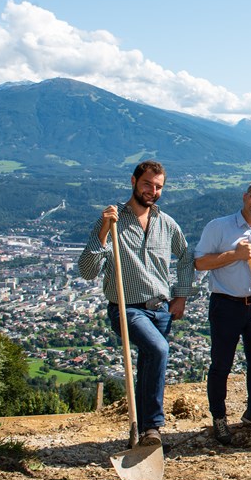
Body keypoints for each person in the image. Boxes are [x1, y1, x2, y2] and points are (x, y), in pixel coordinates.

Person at [78, 160, 197, 447]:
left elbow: (185, 258)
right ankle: (154, 424)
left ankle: (145, 433)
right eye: (147, 184)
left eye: (158, 187)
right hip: (127, 307)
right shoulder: (113, 219)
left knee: (150, 363)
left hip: (161, 309)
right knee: (158, 348)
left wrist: (180, 296)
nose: (152, 191)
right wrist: (104, 230)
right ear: (133, 181)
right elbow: (87, 270)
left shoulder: (166, 224)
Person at [193, 181, 251, 445]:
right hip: (226, 305)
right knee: (222, 364)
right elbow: (200, 262)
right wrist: (235, 254)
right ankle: (219, 417)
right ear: (244, 197)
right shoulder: (219, 227)